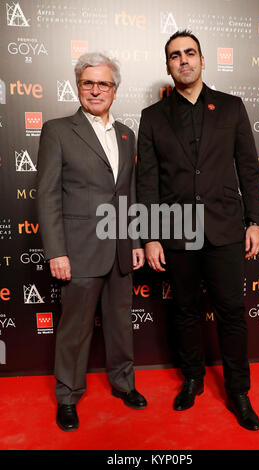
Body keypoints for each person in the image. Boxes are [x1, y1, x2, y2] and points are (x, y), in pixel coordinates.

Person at [136, 30, 259, 431]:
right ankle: (191, 379)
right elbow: (147, 182)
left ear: (203, 60)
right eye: (175, 55)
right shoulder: (153, 117)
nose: (184, 60)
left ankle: (239, 391)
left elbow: (249, 168)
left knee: (231, 313)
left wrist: (255, 221)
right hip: (175, 231)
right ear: (168, 65)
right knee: (185, 311)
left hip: (225, 228)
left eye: (190, 53)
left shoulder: (231, 107)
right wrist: (151, 234)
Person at [37, 52, 147, 432]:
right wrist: (57, 251)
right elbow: (47, 195)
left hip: (119, 247)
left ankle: (123, 383)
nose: (96, 89)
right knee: (75, 329)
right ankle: (68, 394)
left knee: (120, 324)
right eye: (88, 82)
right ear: (77, 86)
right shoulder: (57, 130)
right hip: (78, 249)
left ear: (115, 90)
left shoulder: (126, 134)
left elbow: (128, 193)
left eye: (104, 83)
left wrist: (134, 241)